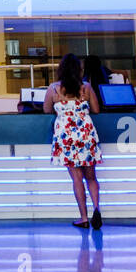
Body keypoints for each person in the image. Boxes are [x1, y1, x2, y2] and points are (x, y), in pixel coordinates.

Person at [45, 53, 103, 229]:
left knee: (77, 178)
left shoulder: (54, 89)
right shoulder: (86, 88)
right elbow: (96, 110)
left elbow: (47, 110)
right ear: (79, 70)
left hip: (66, 136)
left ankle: (84, 218)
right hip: (86, 134)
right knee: (91, 176)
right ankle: (97, 210)